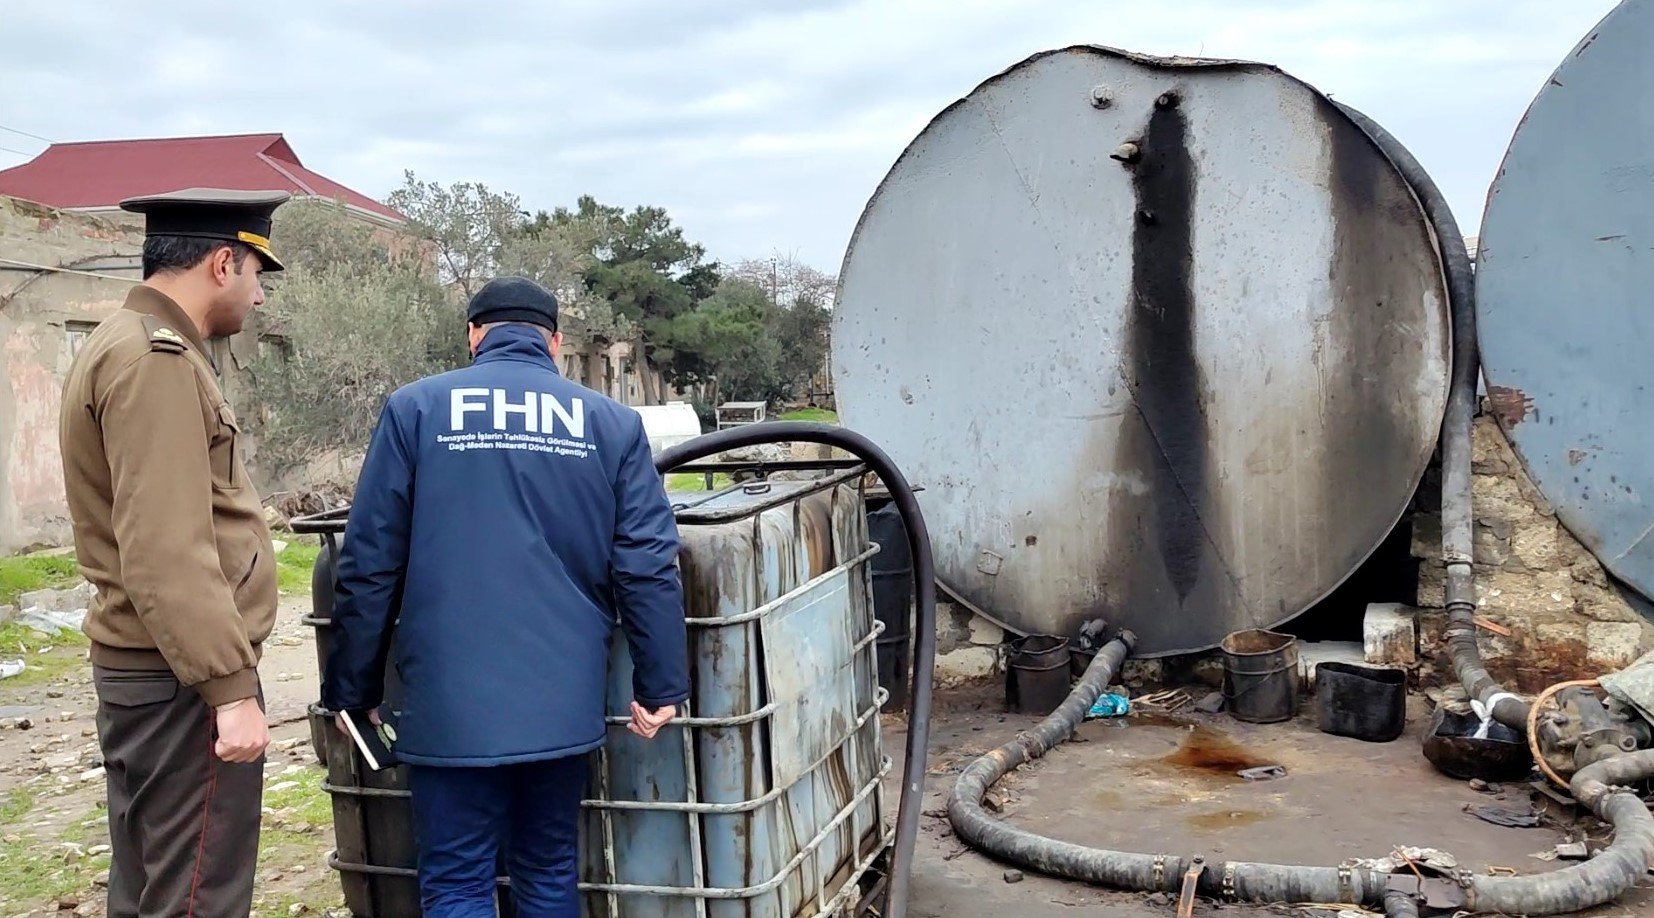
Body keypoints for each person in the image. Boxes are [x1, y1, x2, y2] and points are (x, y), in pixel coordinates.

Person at [323, 275, 690, 917]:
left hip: (449, 704)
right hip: (561, 698)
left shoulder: (415, 409)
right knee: (548, 870)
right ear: (554, 341)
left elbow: (369, 562)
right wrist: (661, 684)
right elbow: (647, 564)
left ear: (473, 335)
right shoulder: (611, 423)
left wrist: (353, 691)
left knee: (458, 880)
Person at [58, 187, 290, 917]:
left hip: (154, 673)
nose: (257, 298)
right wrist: (229, 690)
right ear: (224, 262)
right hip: (179, 683)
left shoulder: (125, 342)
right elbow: (166, 547)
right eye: (257, 275)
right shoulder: (154, 360)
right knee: (197, 898)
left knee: (154, 891)